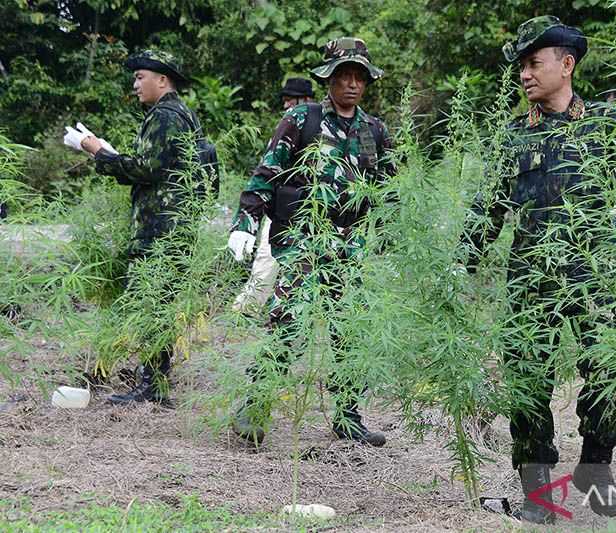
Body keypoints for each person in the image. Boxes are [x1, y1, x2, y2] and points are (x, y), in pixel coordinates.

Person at [471, 16, 616, 522]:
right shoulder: (512, 138)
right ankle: (537, 491)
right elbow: (487, 209)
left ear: (567, 65)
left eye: (534, 63)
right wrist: (461, 265)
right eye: (521, 66)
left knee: (609, 372)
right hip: (530, 277)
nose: (524, 74)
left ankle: (595, 467)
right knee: (527, 381)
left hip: (596, 275)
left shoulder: (606, 127)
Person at [227, 37, 394, 446]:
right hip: (306, 240)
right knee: (289, 323)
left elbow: (389, 191)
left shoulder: (374, 129)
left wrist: (393, 241)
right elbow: (266, 173)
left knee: (349, 331)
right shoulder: (303, 120)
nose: (352, 84)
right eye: (344, 75)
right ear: (328, 79)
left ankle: (349, 417)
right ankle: (254, 407)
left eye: (359, 77)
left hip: (351, 245)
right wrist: (244, 223)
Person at [65, 49, 206, 405]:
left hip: (161, 228)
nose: (135, 84)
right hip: (173, 224)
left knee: (153, 301)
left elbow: (148, 169)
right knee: (158, 301)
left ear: (162, 80)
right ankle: (154, 380)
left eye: (140, 77)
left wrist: (97, 151)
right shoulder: (180, 114)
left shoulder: (165, 115)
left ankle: (152, 386)